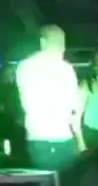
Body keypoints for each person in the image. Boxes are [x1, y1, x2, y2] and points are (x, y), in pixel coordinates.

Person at [16, 25, 84, 170]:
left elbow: (25, 103)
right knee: (67, 181)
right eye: (58, 43)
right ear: (43, 42)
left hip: (40, 139)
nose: (62, 48)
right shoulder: (66, 68)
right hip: (60, 138)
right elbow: (74, 107)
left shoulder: (25, 66)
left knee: (47, 180)